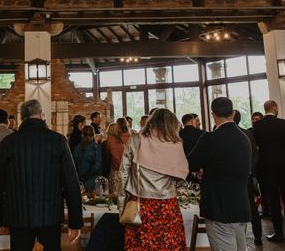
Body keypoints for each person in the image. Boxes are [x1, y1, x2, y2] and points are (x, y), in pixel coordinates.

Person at [0, 99, 82, 249]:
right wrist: (75, 222)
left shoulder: (9, 142)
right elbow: (71, 184)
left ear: (21, 118)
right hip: (50, 216)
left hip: (18, 216)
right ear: (41, 115)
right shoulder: (58, 140)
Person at [119, 108, 189, 251]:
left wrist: (121, 206)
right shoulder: (176, 145)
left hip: (140, 204)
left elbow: (123, 174)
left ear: (151, 122)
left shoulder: (135, 141)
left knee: (140, 246)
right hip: (167, 205)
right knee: (169, 245)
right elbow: (180, 178)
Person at [188, 98, 251, 251]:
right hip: (241, 206)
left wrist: (201, 171)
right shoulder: (244, 138)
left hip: (219, 207)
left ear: (213, 114)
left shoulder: (211, 138)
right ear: (233, 113)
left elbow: (191, 163)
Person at [253, 99, 285, 243]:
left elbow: (258, 146)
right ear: (275, 109)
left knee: (274, 201)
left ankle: (279, 234)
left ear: (265, 109)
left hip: (267, 167)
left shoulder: (257, 126)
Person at [234, 110, 262, 246]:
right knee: (251, 207)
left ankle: (239, 239)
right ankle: (257, 237)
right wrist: (251, 171)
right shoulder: (248, 133)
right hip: (248, 175)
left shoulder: (233, 133)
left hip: (235, 178)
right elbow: (255, 155)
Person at [73, 125, 102, 192]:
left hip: (79, 180)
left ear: (82, 134)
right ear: (93, 135)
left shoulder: (77, 147)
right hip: (93, 180)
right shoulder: (96, 147)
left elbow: (74, 164)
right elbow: (97, 165)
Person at [106, 118, 130, 193]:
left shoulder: (111, 139)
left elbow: (107, 154)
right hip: (129, 170)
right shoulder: (132, 137)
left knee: (115, 195)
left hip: (115, 170)